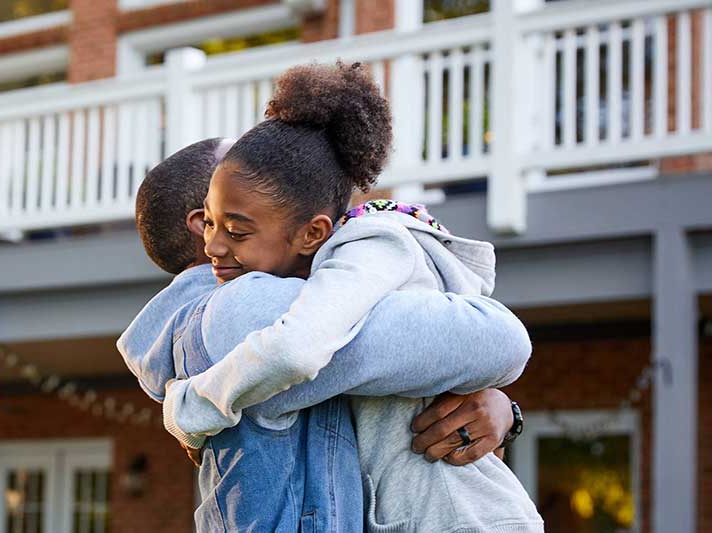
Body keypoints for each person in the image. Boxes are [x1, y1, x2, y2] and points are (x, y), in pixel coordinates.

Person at [162, 62, 543, 531]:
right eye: (213, 224)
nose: (216, 245)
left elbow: (297, 348)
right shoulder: (251, 300)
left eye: (237, 231)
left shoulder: (365, 249)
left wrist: (189, 407)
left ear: (311, 231)